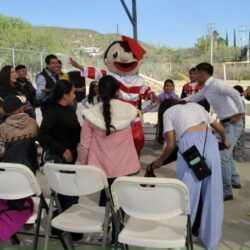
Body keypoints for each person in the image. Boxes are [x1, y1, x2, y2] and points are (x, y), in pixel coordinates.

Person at [153, 99, 229, 249]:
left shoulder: (168, 112)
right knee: (213, 194)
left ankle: (179, 238)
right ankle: (211, 242)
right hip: (210, 142)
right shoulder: (196, 106)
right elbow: (221, 128)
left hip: (190, 147)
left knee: (187, 195)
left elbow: (171, 143)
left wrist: (160, 160)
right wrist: (225, 142)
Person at [70, 35, 158, 155]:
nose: (125, 59)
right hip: (115, 114)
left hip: (133, 116)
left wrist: (154, 97)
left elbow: (148, 93)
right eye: (116, 55)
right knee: (115, 142)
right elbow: (97, 73)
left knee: (138, 139)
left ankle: (133, 160)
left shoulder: (140, 81)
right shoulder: (112, 76)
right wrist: (80, 67)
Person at [184, 62, 244, 201]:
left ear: (203, 74)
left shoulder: (216, 84)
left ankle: (226, 191)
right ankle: (235, 181)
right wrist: (179, 101)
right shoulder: (206, 88)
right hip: (225, 123)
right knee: (226, 154)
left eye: (197, 73)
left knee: (223, 156)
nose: (195, 75)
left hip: (233, 123)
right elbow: (193, 98)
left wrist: (240, 113)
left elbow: (235, 93)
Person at [80, 75, 140, 203]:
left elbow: (85, 145)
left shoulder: (90, 114)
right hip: (126, 166)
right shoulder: (130, 111)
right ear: (117, 91)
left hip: (101, 167)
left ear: (99, 91)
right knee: (122, 199)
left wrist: (84, 165)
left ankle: (107, 222)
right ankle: (120, 223)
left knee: (105, 198)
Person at [37, 80, 82, 241]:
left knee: (71, 195)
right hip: (58, 158)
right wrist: (62, 149)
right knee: (66, 196)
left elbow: (76, 130)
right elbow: (42, 135)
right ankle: (66, 227)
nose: (75, 95)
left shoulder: (68, 109)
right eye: (73, 92)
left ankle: (64, 224)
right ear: (65, 95)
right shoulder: (54, 112)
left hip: (69, 159)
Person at [0, 95, 38, 173]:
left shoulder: (2, 128)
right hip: (30, 166)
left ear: (6, 111)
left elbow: (1, 152)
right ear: (21, 108)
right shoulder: (32, 122)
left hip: (11, 168)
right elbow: (39, 139)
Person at [233, 85, 246, 162]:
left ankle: (241, 155)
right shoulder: (233, 101)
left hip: (240, 123)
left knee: (240, 140)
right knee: (234, 140)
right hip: (234, 123)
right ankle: (234, 154)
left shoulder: (240, 101)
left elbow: (241, 114)